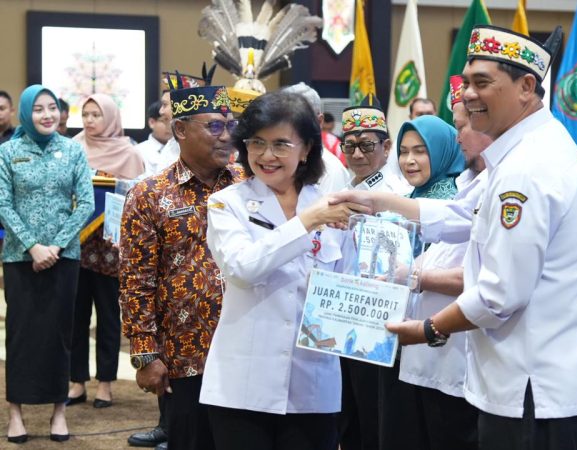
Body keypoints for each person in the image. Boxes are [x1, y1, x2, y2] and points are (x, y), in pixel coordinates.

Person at [331, 25, 577, 450]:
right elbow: (462, 215)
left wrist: (425, 329)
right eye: (467, 82)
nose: (467, 95)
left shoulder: (527, 169)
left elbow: (499, 293)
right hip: (533, 379)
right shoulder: (519, 155)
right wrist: (378, 203)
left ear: (526, 87)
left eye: (482, 83)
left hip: (532, 385)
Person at [199, 91, 364, 450]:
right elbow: (243, 268)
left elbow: (349, 285)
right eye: (257, 143)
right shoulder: (227, 203)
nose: (266, 155)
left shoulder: (333, 206)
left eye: (280, 144)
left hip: (313, 380)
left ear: (305, 149)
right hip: (243, 383)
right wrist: (307, 222)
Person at [119, 77, 242, 450]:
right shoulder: (149, 194)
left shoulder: (247, 184)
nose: (225, 136)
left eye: (230, 126)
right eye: (214, 126)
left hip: (245, 350)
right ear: (181, 130)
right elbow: (135, 280)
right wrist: (145, 355)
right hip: (185, 356)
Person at [0, 84, 94, 443]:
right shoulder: (8, 152)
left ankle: (58, 411)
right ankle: (16, 413)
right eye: (38, 109)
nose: (46, 115)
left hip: (64, 256)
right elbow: (4, 204)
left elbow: (84, 203)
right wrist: (32, 246)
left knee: (61, 333)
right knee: (21, 335)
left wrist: (54, 246)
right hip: (19, 257)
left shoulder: (72, 151)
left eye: (51, 107)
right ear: (26, 113)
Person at [385, 112, 478, 450]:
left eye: (421, 150)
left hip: (448, 345)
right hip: (411, 342)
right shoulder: (411, 197)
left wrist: (410, 277)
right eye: (404, 150)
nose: (410, 160)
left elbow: (471, 277)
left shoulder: (455, 196)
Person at [337, 94, 409, 450]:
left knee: (373, 416)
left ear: (386, 146)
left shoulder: (398, 193)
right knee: (345, 414)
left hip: (378, 318)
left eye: (367, 145)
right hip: (340, 313)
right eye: (349, 146)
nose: (358, 154)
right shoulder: (342, 191)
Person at [67, 93, 145, 409]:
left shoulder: (129, 154)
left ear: (110, 117)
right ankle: (76, 381)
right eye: (85, 114)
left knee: (110, 318)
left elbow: (140, 198)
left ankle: (106, 384)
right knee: (76, 317)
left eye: (96, 115)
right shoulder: (73, 147)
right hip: (77, 245)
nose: (89, 121)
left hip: (113, 248)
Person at [281, 83, 351, 194]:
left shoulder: (331, 171)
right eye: (282, 120)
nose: (289, 128)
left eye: (298, 121)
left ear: (319, 121)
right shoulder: (272, 161)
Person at [136, 101, 175, 176]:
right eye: (165, 120)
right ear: (152, 122)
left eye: (172, 121)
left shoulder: (181, 150)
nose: (170, 126)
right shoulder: (138, 151)